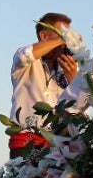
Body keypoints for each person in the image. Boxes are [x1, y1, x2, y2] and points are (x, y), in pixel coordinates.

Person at [9, 13, 78, 153]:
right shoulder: (23, 61)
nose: (67, 42)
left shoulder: (71, 66)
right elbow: (26, 55)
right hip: (26, 142)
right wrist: (62, 40)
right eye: (63, 35)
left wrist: (73, 80)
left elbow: (81, 105)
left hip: (60, 144)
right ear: (44, 37)